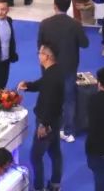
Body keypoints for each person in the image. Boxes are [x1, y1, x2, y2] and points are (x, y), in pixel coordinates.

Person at [37, 0, 89, 142]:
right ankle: (67, 131)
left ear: (54, 6)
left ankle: (46, 126)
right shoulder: (75, 24)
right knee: (69, 100)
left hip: (49, 67)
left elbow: (40, 46)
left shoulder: (45, 23)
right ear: (69, 6)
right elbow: (85, 44)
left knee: (49, 97)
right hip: (69, 68)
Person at [18, 43, 66, 191]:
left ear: (47, 56)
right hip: (56, 119)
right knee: (55, 152)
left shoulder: (51, 77)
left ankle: (39, 188)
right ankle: (55, 184)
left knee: (35, 156)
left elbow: (49, 102)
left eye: (40, 53)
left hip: (47, 122)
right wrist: (28, 85)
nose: (38, 56)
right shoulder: (54, 71)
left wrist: (44, 125)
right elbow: (42, 84)